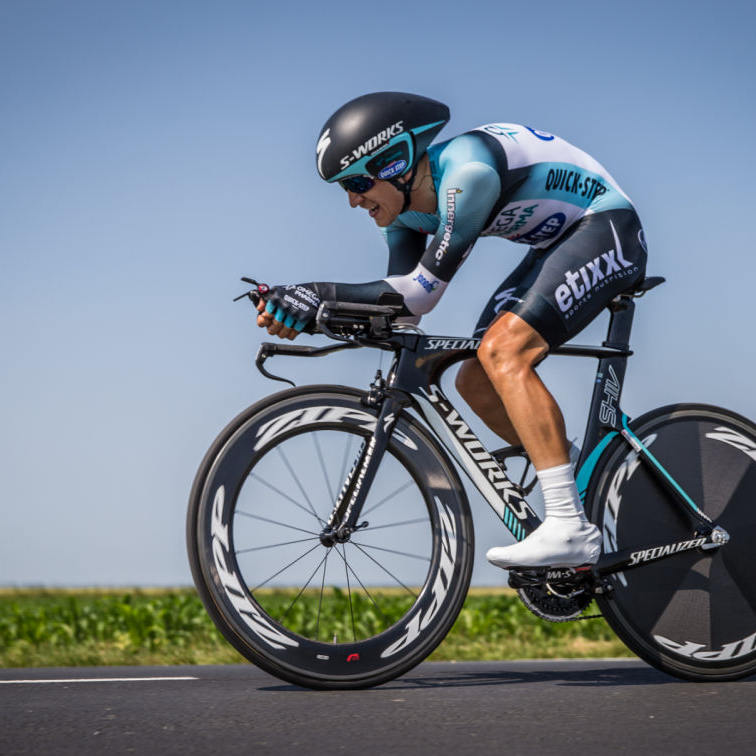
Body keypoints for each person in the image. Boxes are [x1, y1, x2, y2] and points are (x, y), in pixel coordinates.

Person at [256, 91, 647, 570]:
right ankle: (584, 482)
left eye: (358, 182)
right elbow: (400, 308)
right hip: (556, 243)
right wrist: (309, 314)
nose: (354, 200)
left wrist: (316, 292)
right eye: (344, 189)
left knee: (504, 352)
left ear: (397, 163)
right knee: (474, 379)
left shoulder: (468, 174)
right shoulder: (401, 213)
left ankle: (568, 524)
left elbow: (420, 296)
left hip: (605, 225)